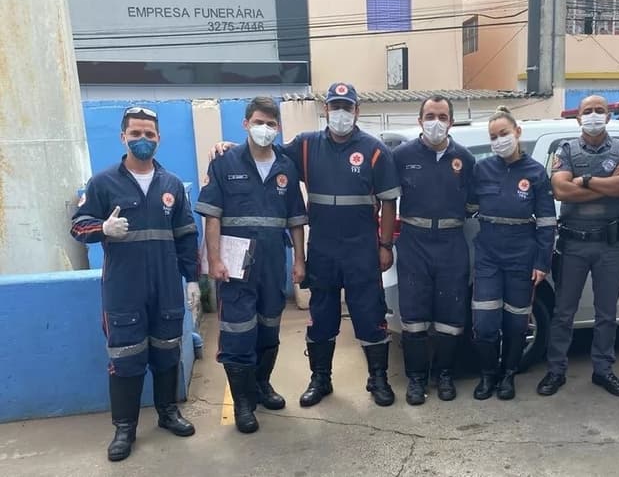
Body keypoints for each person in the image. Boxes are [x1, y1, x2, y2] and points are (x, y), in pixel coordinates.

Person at [211, 82, 401, 407]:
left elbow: (388, 203)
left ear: (357, 111)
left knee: (370, 314)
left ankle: (378, 379)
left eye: (347, 107)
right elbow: (265, 153)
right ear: (325, 109)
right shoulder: (305, 145)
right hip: (323, 250)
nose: (340, 113)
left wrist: (385, 246)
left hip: (362, 251)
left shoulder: (374, 150)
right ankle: (320, 379)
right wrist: (229, 147)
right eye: (335, 106)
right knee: (322, 317)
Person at [71, 106, 199, 462]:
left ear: (159, 139)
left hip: (166, 287)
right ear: (122, 137)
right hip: (124, 288)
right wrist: (102, 229)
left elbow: (187, 234)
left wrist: (192, 280)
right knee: (125, 357)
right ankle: (124, 428)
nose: (143, 140)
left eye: (149, 134)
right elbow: (78, 225)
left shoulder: (172, 184)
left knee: (167, 350)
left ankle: (168, 413)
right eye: (136, 134)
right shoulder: (103, 183)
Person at [195, 97, 306, 433]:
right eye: (259, 122)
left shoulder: (286, 166)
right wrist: (214, 259)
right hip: (234, 263)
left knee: (269, 326)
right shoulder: (224, 161)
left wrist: (299, 260)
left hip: (272, 261)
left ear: (278, 128)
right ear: (246, 124)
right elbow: (212, 217)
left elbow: (295, 219)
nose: (265, 129)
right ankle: (243, 403)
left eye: (271, 124)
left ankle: (261, 385)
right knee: (237, 331)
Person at [537, 95, 619, 397]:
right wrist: (607, 183)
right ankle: (556, 371)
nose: (593, 115)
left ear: (608, 116)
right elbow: (561, 190)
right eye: (588, 111)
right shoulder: (566, 149)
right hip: (573, 244)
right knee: (563, 312)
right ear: (578, 117)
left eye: (599, 110)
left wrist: (583, 181)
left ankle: (603, 370)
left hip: (610, 245)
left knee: (607, 313)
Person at [467, 106, 556, 401]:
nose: (499, 141)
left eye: (503, 133)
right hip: (488, 255)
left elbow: (546, 221)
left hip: (522, 255)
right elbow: (468, 205)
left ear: (517, 132)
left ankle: (508, 375)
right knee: (484, 322)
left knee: (516, 321)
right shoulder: (482, 169)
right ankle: (487, 375)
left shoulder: (535, 173)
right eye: (493, 136)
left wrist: (542, 262)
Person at [392, 95, 475, 405]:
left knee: (451, 315)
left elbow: (473, 204)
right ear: (420, 120)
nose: (435, 122)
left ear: (451, 121)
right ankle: (416, 379)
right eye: (430, 116)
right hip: (414, 240)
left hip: (452, 241)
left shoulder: (465, 159)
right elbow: (386, 198)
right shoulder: (401, 156)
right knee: (413, 314)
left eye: (442, 116)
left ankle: (445, 375)